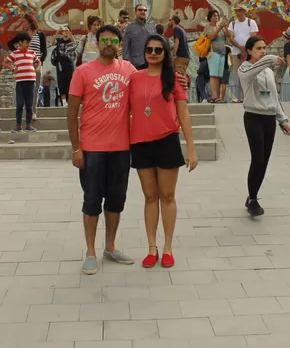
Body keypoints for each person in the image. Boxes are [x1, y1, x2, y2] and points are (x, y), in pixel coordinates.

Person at [67, 25, 137, 275]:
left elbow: (149, 88)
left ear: (120, 44)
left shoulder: (129, 70)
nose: (109, 44)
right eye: (104, 40)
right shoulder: (82, 72)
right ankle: (90, 252)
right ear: (96, 44)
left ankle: (110, 247)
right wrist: (76, 148)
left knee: (116, 200)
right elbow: (72, 112)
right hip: (92, 148)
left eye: (113, 41)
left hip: (121, 148)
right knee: (92, 200)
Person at [129, 34, 198, 268]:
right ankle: (152, 248)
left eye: (158, 50)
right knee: (150, 196)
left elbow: (184, 114)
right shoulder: (134, 78)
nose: (153, 53)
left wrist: (191, 148)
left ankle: (167, 247)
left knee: (167, 196)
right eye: (149, 49)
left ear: (165, 53)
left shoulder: (174, 79)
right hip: (140, 142)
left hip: (167, 140)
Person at [238, 36, 290, 217]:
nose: (262, 51)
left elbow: (274, 96)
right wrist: (269, 59)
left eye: (264, 48)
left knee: (265, 161)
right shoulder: (244, 69)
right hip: (253, 117)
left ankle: (252, 195)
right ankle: (253, 199)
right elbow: (250, 74)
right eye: (258, 48)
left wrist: (282, 120)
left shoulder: (268, 72)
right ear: (249, 51)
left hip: (269, 119)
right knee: (257, 159)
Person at [4, 31, 40, 132]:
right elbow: (4, 62)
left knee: (29, 104)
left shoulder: (32, 53)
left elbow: (38, 62)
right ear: (20, 42)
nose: (28, 44)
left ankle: (28, 124)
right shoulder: (15, 53)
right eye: (26, 42)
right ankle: (18, 125)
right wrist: (12, 68)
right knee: (19, 104)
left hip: (31, 81)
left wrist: (37, 69)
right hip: (20, 81)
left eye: (29, 42)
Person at [228, 4, 259, 102]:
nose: (238, 13)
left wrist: (245, 49)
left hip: (249, 53)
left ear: (244, 12)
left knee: (249, 74)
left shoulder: (251, 22)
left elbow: (253, 38)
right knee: (238, 75)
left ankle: (250, 96)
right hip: (236, 53)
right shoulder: (232, 24)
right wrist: (239, 47)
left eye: (240, 11)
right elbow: (230, 38)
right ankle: (240, 96)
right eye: (237, 11)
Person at [203, 9, 231, 103]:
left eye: (217, 15)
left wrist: (225, 27)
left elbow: (229, 36)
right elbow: (211, 37)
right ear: (210, 17)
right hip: (213, 52)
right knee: (213, 75)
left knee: (218, 76)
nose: (216, 17)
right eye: (214, 15)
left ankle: (217, 97)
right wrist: (219, 28)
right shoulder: (208, 26)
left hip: (222, 53)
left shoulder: (221, 27)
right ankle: (214, 96)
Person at [26, 14, 47, 121]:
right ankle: (26, 110)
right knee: (26, 88)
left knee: (36, 89)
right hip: (26, 65)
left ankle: (33, 111)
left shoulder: (40, 34)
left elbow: (44, 50)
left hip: (36, 65)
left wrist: (40, 61)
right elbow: (12, 44)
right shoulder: (24, 35)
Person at [122, 4, 155, 68]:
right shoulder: (130, 28)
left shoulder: (151, 27)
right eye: (140, 10)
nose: (143, 11)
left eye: (145, 10)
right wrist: (127, 64)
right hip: (136, 64)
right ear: (135, 12)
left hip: (150, 62)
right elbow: (126, 47)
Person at [52, 26, 79, 106]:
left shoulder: (71, 40)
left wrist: (70, 33)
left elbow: (75, 43)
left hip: (69, 64)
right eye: (64, 31)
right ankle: (64, 102)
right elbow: (52, 42)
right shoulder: (59, 40)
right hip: (60, 64)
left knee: (70, 82)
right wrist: (57, 32)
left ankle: (70, 100)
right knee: (61, 82)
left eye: (67, 31)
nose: (66, 32)